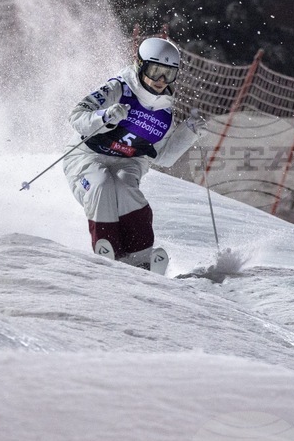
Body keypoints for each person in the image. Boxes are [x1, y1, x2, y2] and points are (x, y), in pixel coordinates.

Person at [63, 36, 201, 272]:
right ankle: (109, 245)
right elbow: (76, 115)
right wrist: (104, 118)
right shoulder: (118, 88)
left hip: (129, 160)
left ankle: (141, 253)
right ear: (140, 65)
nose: (161, 80)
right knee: (102, 184)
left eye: (169, 74)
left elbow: (163, 157)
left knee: (127, 187)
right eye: (155, 70)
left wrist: (188, 133)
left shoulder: (165, 113)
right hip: (88, 154)